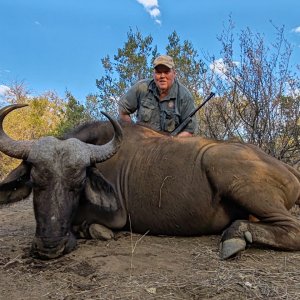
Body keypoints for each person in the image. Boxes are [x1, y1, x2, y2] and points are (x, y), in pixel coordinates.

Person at [118, 55, 197, 137]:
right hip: (142, 144)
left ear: (174, 73)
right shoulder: (141, 88)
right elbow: (123, 111)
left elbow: (189, 130)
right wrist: (134, 133)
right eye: (158, 72)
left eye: (166, 72)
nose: (162, 76)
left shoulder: (184, 96)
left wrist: (173, 142)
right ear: (153, 74)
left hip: (170, 146)